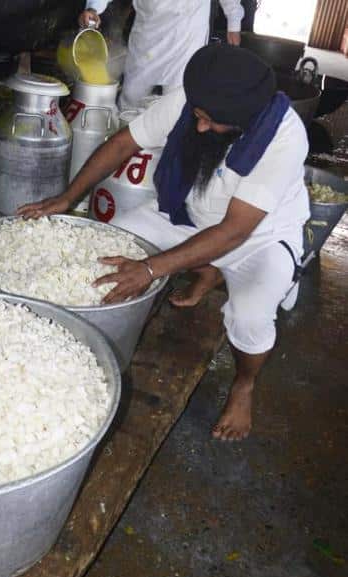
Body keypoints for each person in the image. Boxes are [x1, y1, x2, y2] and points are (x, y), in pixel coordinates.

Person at [18, 44, 309, 442]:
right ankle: (204, 270)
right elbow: (124, 143)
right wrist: (69, 197)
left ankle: (244, 385)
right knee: (106, 245)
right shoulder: (196, 99)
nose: (200, 127)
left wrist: (152, 268)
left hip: (258, 238)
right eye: (199, 117)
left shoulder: (285, 139)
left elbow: (234, 232)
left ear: (244, 120)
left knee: (250, 316)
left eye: (210, 122)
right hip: (187, 216)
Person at [79, 0, 244, 108]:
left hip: (187, 33)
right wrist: (94, 8)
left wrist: (234, 19)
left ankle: (168, 156)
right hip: (148, 32)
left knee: (177, 102)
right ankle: (129, 157)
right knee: (132, 98)